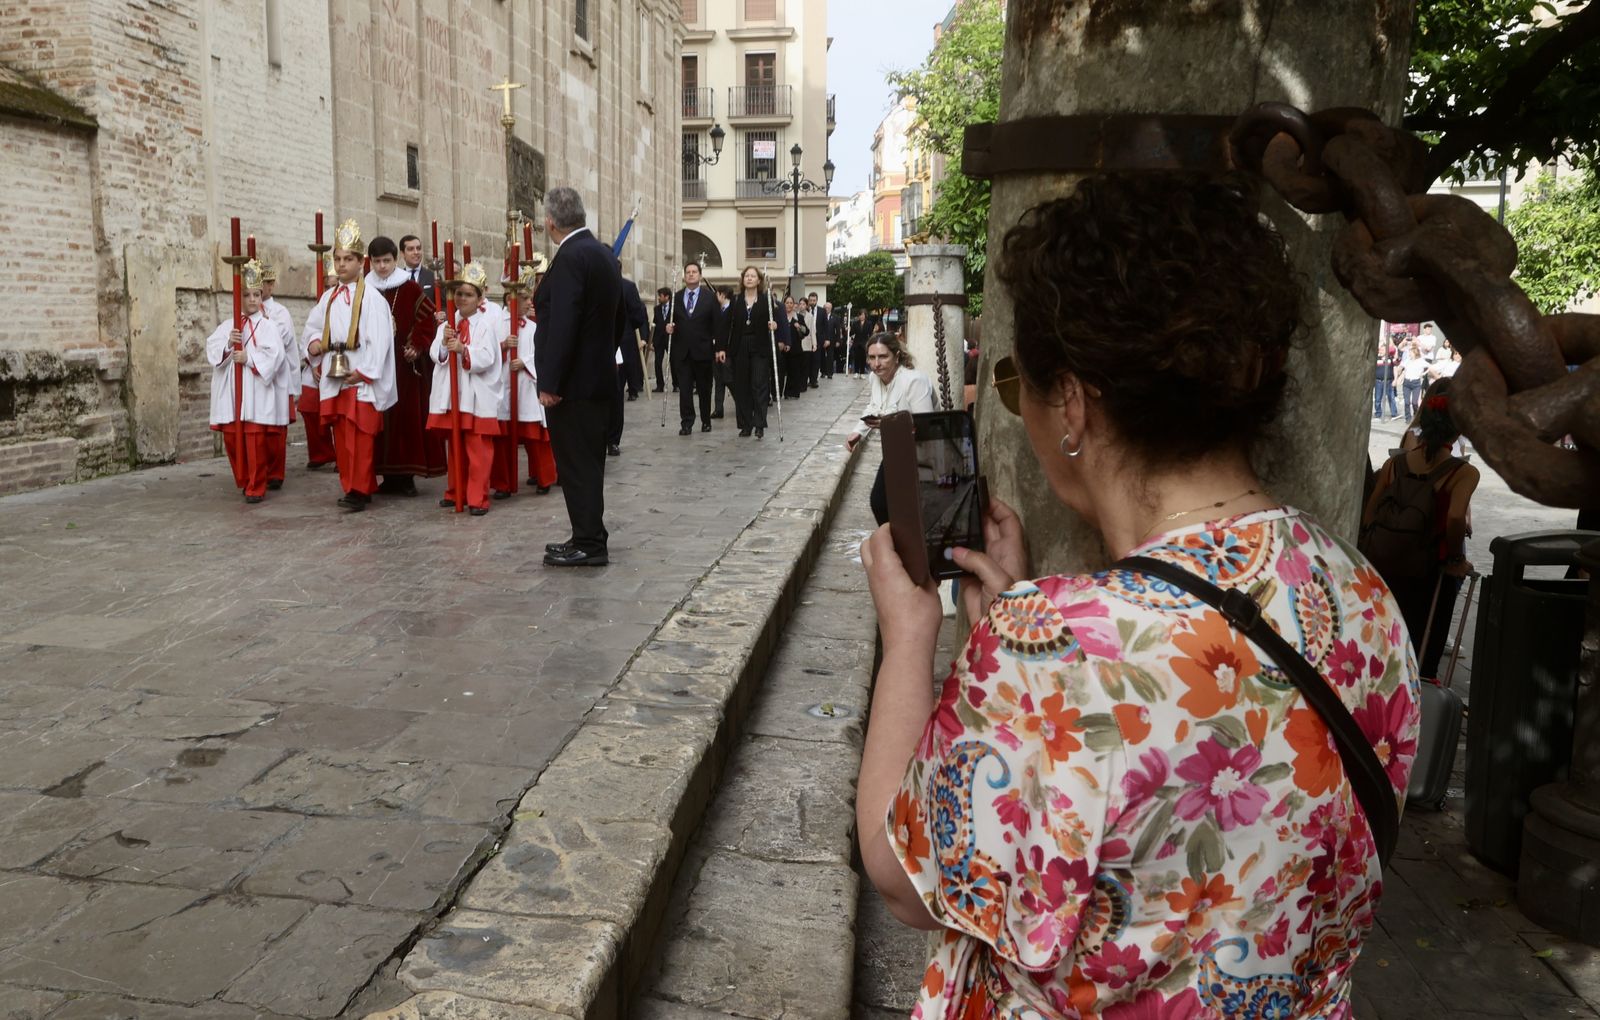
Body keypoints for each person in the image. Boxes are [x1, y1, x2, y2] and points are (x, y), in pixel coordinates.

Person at [856, 172, 1419, 1020]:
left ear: (1074, 402)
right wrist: (1018, 638)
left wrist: (912, 637)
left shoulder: (1051, 650)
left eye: (1019, 385)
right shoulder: (1361, 593)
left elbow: (901, 876)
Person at [534, 186, 625, 567]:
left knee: (577, 465)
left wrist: (552, 382)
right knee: (588, 463)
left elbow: (564, 323)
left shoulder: (571, 256)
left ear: (550, 221)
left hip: (573, 386)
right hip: (597, 377)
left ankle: (589, 543)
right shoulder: (603, 254)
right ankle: (588, 534)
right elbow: (619, 317)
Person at [1364, 379, 1479, 678]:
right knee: (1425, 641)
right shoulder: (1463, 472)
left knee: (1386, 634)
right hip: (1429, 571)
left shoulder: (1395, 465)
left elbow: (1370, 511)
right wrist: (1455, 559)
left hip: (1386, 567)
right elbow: (1455, 518)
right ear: (1456, 430)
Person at [303, 220, 397, 512]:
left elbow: (380, 339)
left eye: (348, 259)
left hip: (359, 377)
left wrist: (366, 371)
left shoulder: (372, 299)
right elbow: (312, 327)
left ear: (361, 262)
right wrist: (314, 344)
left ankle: (360, 488)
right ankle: (351, 483)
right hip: (336, 374)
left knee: (361, 435)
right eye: (338, 259)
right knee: (342, 437)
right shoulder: (328, 297)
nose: (342, 265)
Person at [367, 235, 443, 497]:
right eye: (377, 262)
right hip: (375, 365)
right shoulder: (366, 289)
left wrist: (417, 345)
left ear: (395, 259)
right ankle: (387, 476)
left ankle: (407, 477)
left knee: (406, 420)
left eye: (386, 261)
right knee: (381, 421)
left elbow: (427, 320)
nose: (382, 267)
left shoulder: (408, 288)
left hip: (404, 366)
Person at [426, 261, 503, 516]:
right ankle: (455, 490)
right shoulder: (447, 324)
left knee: (478, 449)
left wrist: (464, 350)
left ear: (480, 298)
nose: (462, 298)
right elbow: (435, 354)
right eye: (459, 293)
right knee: (455, 447)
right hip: (454, 395)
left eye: (468, 294)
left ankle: (477, 497)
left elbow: (489, 357)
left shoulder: (485, 325)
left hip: (477, 396)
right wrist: (444, 346)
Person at [206, 260, 286, 503]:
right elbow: (212, 349)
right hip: (231, 393)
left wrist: (249, 358)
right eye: (247, 294)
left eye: (256, 294)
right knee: (233, 439)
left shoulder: (268, 326)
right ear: (238, 296)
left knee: (254, 441)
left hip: (254, 392)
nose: (252, 299)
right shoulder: (228, 325)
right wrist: (229, 345)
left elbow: (275, 355)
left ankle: (256, 485)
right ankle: (243, 479)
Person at [845, 333, 935, 525]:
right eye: (872, 358)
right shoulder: (874, 379)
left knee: (913, 508)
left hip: (923, 453)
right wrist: (858, 432)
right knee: (879, 502)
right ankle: (895, 543)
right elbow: (873, 406)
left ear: (896, 356)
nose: (877, 363)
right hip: (896, 449)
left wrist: (890, 422)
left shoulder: (914, 381)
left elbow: (924, 423)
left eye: (883, 357)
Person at [492, 262, 557, 497]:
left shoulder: (532, 327)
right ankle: (503, 483)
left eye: (531, 298)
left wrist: (525, 363)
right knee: (502, 439)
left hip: (526, 388)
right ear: (511, 299)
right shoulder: (495, 323)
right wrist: (502, 346)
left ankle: (544, 477)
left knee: (535, 437)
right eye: (525, 298)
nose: (530, 303)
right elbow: (485, 351)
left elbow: (542, 353)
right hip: (502, 387)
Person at [719, 266, 782, 439]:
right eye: (746, 275)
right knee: (742, 387)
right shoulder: (737, 300)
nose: (749, 278)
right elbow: (726, 325)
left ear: (759, 280)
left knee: (759, 385)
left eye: (753, 276)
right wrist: (723, 348)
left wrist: (774, 325)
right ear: (742, 279)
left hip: (759, 346)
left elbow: (776, 320)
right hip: (740, 346)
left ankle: (759, 424)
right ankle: (745, 424)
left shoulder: (766, 300)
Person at [668, 261, 720, 435]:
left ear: (700, 275)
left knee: (704, 389)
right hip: (682, 352)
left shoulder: (710, 297)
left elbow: (716, 325)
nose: (691, 274)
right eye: (688, 272)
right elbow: (670, 321)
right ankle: (687, 422)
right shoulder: (676, 297)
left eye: (694, 272)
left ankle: (706, 420)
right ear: (684, 276)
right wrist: (668, 328)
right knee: (685, 389)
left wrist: (718, 347)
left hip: (703, 350)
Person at [258, 260, 297, 490]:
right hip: (255, 376)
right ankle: (258, 468)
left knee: (275, 430)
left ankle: (274, 472)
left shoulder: (280, 313)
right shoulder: (245, 311)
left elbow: (275, 342)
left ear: (270, 285)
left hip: (276, 378)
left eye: (262, 283)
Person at [608, 266, 651, 454]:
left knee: (617, 394)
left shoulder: (627, 287)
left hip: (620, 348)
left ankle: (613, 439)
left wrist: (625, 334)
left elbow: (638, 316)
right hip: (593, 349)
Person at [781, 294, 809, 399]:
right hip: (782, 349)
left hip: (796, 349)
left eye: (791, 303)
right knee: (782, 372)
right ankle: (779, 393)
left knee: (794, 371)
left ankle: (792, 393)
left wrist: (799, 327)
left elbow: (806, 331)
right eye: (787, 303)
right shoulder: (780, 316)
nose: (789, 305)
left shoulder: (799, 317)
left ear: (794, 305)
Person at [712, 285, 735, 418]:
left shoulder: (733, 310)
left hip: (728, 352)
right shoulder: (717, 310)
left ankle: (742, 404)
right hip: (716, 351)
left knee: (729, 380)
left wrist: (724, 350)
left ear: (722, 295)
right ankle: (718, 409)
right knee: (719, 381)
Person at [1399, 339, 1429, 420]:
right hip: (1407, 383)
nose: (1409, 354)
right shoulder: (1407, 360)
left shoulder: (1421, 361)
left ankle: (1416, 414)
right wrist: (1399, 377)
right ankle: (1408, 418)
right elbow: (1402, 368)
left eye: (1410, 353)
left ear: (1415, 353)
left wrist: (1423, 373)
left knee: (1414, 402)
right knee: (1407, 402)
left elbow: (1430, 367)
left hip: (1416, 383)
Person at [651, 286, 673, 393]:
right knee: (657, 363)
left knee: (674, 362)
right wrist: (651, 340)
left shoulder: (674, 308)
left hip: (670, 340)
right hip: (659, 340)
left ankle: (676, 384)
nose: (659, 298)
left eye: (660, 296)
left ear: (667, 297)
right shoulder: (656, 309)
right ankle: (660, 385)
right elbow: (654, 323)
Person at [1373, 336, 1399, 420]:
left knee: (1391, 398)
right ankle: (1378, 414)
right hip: (1378, 381)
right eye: (1380, 349)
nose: (1381, 350)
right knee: (1377, 398)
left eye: (1383, 349)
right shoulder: (1376, 358)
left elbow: (1395, 368)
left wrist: (1396, 379)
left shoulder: (1391, 359)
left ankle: (1394, 413)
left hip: (1388, 381)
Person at [849, 307, 870, 377]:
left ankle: (862, 373)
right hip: (857, 343)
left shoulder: (868, 323)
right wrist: (849, 329)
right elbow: (851, 333)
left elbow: (870, 333)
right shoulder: (855, 323)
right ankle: (856, 372)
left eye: (863, 315)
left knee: (863, 358)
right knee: (856, 358)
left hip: (864, 343)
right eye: (860, 315)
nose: (862, 316)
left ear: (865, 315)